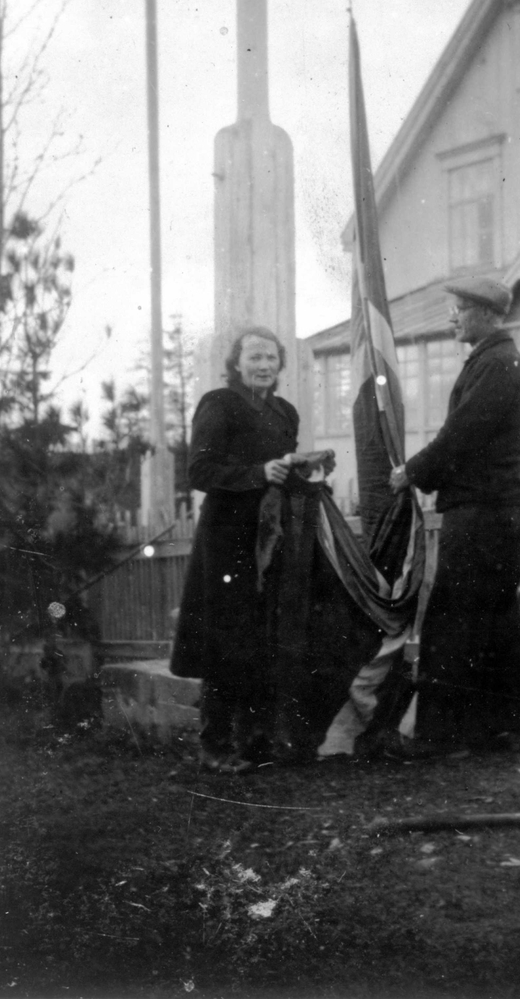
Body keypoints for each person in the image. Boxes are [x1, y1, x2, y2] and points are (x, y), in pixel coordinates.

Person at [170, 325, 344, 773]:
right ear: (236, 363)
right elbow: (200, 471)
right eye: (254, 358)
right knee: (226, 635)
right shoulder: (219, 404)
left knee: (265, 634)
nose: (264, 366)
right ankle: (214, 744)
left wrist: (307, 468)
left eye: (271, 358)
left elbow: (280, 475)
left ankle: (256, 738)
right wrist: (258, 472)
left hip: (274, 535)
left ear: (280, 364)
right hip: (229, 538)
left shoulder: (285, 412)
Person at [389, 276, 520, 750]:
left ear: (487, 315)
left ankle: (444, 734)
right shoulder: (494, 360)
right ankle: (495, 725)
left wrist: (411, 471)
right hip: (495, 513)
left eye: (460, 309)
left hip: (481, 515)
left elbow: (462, 435)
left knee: (455, 617)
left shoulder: (496, 364)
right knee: (491, 617)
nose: (452, 317)